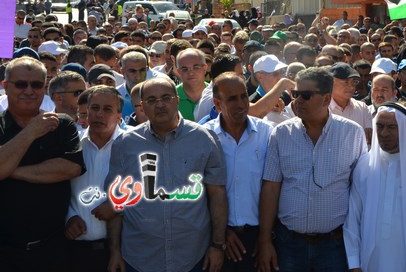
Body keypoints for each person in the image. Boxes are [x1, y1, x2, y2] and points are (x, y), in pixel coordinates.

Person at [105, 77, 228, 272]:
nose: (160, 104)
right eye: (152, 100)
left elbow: (217, 195)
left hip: (193, 257)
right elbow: (115, 203)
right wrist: (114, 252)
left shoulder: (203, 138)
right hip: (139, 258)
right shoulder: (126, 144)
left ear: (177, 100)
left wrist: (217, 246)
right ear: (142, 106)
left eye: (166, 98)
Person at [257, 67, 367, 272]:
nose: (297, 101)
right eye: (295, 94)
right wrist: (265, 242)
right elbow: (271, 188)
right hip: (289, 244)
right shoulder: (281, 134)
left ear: (326, 99)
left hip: (334, 245)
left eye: (305, 96)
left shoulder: (352, 133)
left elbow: (359, 190)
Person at [0, 57, 85, 272]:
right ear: (5, 86)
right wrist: (31, 132)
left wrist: (10, 170)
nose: (29, 90)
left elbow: (70, 168)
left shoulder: (62, 124)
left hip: (52, 249)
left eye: (37, 84)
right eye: (20, 84)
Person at [344, 103, 406, 271]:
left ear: (405, 129)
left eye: (391, 127)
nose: (384, 133)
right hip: (369, 262)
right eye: (379, 126)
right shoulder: (365, 165)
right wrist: (353, 263)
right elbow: (352, 219)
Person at [204, 73, 272, 272]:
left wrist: (266, 238)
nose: (241, 104)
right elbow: (199, 191)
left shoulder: (268, 133)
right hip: (217, 239)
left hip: (261, 238)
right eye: (232, 99)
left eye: (244, 96)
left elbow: (274, 187)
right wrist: (220, 232)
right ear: (217, 103)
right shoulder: (204, 136)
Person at [65, 86, 124, 272]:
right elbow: (57, 189)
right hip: (76, 252)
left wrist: (117, 206)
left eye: (107, 109)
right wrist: (68, 217)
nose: (99, 114)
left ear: (119, 115)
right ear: (86, 111)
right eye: (95, 108)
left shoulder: (132, 146)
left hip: (124, 251)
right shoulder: (71, 147)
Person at [329, 62, 373, 143]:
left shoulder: (362, 108)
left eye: (354, 82)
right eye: (346, 82)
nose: (351, 86)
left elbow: (368, 143)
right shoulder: (321, 109)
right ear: (331, 83)